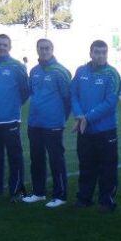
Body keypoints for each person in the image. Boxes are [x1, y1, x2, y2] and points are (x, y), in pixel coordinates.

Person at [70, 39, 121, 211]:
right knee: (86, 165)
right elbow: (74, 95)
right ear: (90, 53)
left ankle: (107, 201)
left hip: (105, 131)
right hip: (84, 129)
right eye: (97, 52)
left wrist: (87, 118)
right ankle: (84, 198)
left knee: (108, 167)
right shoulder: (81, 71)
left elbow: (110, 102)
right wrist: (79, 115)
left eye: (103, 52)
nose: (100, 56)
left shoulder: (112, 74)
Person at [23, 38, 72, 208]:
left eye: (46, 48)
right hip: (35, 123)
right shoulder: (34, 71)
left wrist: (60, 118)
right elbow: (32, 92)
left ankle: (60, 195)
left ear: (52, 49)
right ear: (37, 50)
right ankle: (38, 192)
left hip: (53, 124)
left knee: (56, 159)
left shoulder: (61, 71)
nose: (43, 51)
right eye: (40, 48)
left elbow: (67, 99)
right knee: (36, 159)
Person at [0, 34, 29, 201]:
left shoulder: (17, 66)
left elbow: (25, 91)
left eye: (4, 44)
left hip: (10, 119)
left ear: (9, 47)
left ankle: (16, 190)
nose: (1, 47)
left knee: (14, 156)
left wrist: (12, 105)